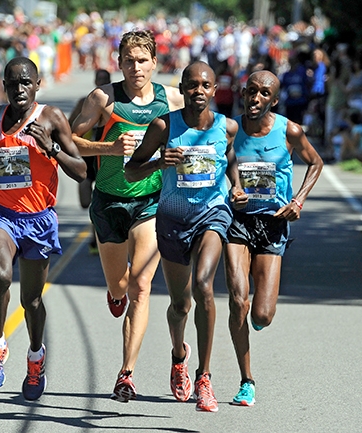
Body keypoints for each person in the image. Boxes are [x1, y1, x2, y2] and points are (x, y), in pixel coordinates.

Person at [124, 61, 248, 412]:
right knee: (180, 304)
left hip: (213, 213)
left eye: (204, 85)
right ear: (182, 88)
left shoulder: (227, 127)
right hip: (173, 219)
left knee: (204, 285)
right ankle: (179, 354)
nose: (198, 91)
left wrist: (236, 188)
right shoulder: (165, 126)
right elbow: (132, 170)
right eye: (191, 85)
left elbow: (230, 160)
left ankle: (204, 378)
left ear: (213, 90)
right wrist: (158, 163)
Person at [70, 30, 184, 403]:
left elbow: (205, 128)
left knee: (141, 286)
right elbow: (71, 140)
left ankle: (126, 374)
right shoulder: (104, 99)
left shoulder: (171, 100)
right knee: (119, 286)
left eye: (143, 60)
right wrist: (110, 146)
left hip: (150, 202)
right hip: (108, 203)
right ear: (119, 63)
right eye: (129, 60)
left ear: (155, 62)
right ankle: (113, 293)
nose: (136, 67)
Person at [0, 57, 86, 401]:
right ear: (3, 86)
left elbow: (80, 170)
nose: (18, 89)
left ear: (37, 85)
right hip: (2, 215)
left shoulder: (51, 118)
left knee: (31, 300)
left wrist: (51, 149)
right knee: (1, 276)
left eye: (25, 82)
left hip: (38, 219)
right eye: (11, 83)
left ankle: (36, 355)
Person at [224, 70, 323, 406]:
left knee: (262, 315)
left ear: (275, 100)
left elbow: (315, 162)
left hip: (273, 223)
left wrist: (298, 201)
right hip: (237, 222)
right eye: (251, 91)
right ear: (243, 92)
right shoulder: (230, 129)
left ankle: (255, 320)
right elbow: (217, 167)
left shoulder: (289, 131)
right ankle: (246, 380)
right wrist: (232, 190)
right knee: (239, 300)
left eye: (263, 94)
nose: (255, 99)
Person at [67, 68, 112, 254]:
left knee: (99, 201)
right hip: (87, 158)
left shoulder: (115, 104)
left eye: (105, 79)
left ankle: (97, 238)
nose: (101, 82)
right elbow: (68, 129)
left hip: (106, 157)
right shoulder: (84, 103)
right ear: (94, 81)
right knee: (86, 202)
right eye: (99, 79)